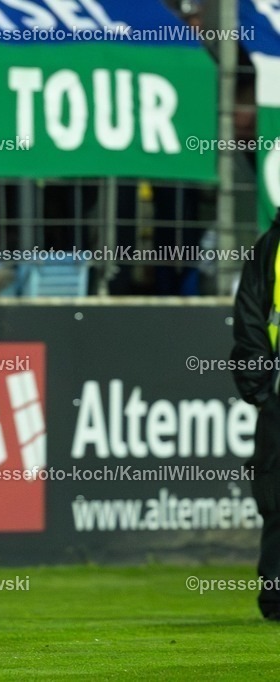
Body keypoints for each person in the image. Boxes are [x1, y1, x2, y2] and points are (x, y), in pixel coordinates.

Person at [231, 206, 280, 621]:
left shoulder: (269, 247)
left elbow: (249, 318)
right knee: (276, 496)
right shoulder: (271, 248)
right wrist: (260, 387)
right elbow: (251, 320)